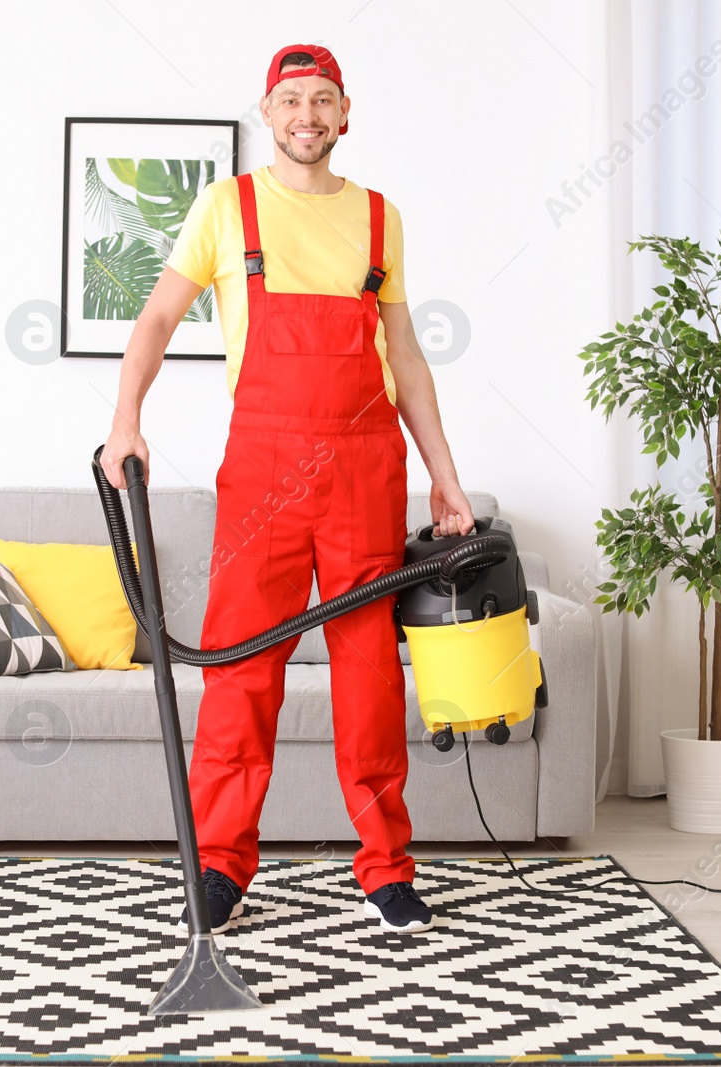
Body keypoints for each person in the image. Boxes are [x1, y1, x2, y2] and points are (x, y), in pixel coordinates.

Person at [100, 43, 473, 934]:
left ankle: (386, 867)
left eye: (323, 101)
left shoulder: (381, 220)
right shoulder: (226, 208)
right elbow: (156, 317)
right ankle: (222, 866)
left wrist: (445, 481)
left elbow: (408, 363)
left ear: (347, 115)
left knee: (370, 677)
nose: (307, 115)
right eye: (291, 100)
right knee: (240, 668)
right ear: (266, 114)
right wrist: (125, 419)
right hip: (264, 469)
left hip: (364, 472)